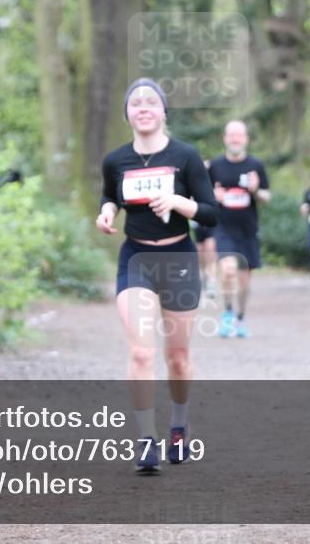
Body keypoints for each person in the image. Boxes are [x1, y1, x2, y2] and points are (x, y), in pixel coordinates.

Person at [96, 78, 218, 474]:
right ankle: (146, 439)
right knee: (141, 351)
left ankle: (179, 426)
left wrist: (182, 202)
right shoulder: (116, 160)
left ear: (164, 111)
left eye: (152, 102)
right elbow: (111, 195)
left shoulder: (185, 156)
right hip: (136, 261)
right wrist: (108, 213)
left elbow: (212, 213)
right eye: (136, 103)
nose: (144, 107)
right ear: (128, 113)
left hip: (179, 259)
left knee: (178, 358)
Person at [208, 120, 270, 339]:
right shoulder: (215, 166)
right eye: (231, 135)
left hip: (248, 231)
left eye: (239, 135)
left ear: (246, 139)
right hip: (223, 228)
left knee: (244, 279)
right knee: (226, 268)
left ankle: (241, 318)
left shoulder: (256, 165)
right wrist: (214, 198)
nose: (235, 139)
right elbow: (204, 198)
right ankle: (227, 313)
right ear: (225, 138)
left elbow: (266, 197)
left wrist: (255, 191)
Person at [191, 160, 218, 299]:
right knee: (200, 250)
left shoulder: (213, 179)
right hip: (197, 222)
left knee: (211, 247)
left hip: (211, 221)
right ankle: (203, 276)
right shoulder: (191, 178)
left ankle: (212, 280)